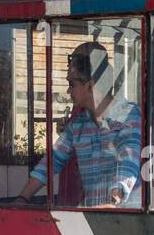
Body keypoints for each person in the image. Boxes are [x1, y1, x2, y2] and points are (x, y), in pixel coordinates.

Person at [15, 42, 141, 208]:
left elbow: (128, 159)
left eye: (71, 84)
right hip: (91, 217)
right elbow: (51, 162)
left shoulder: (129, 115)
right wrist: (22, 199)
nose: (68, 92)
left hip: (125, 218)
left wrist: (113, 202)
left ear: (89, 85)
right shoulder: (78, 126)